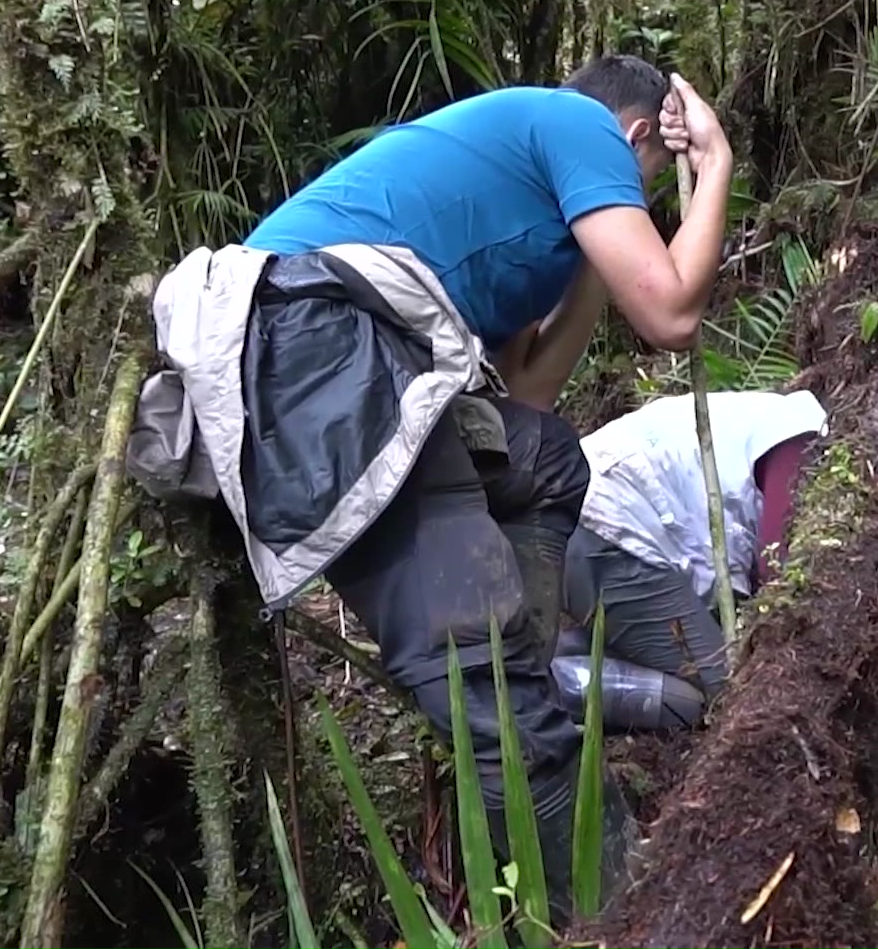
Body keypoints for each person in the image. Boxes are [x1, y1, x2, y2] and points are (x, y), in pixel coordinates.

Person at [126, 55, 734, 917]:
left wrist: (596, 265)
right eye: (640, 192)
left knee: (547, 460)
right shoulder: (579, 126)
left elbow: (524, 400)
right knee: (505, 715)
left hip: (351, 363)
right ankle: (624, 912)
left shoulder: (531, 221)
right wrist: (712, 167)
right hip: (309, 346)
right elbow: (671, 312)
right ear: (637, 135)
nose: (633, 212)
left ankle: (519, 677)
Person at [552, 389, 827, 730]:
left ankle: (562, 659)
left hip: (586, 514)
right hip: (608, 523)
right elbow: (779, 574)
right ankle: (544, 690)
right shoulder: (803, 440)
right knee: (732, 700)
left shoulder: (771, 416)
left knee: (706, 666)